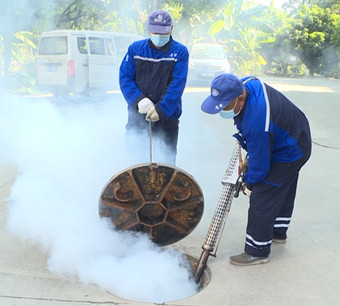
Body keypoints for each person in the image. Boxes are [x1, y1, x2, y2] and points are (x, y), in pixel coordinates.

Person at [201, 73, 312, 266]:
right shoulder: (245, 84)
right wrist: (250, 157)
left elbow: (261, 166)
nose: (221, 111)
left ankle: (257, 251)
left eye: (225, 106)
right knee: (281, 188)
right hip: (294, 133)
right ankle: (278, 233)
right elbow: (259, 146)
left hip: (290, 150)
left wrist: (250, 183)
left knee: (263, 195)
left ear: (240, 99)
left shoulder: (257, 121)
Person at [119, 10, 189, 165]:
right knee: (136, 163)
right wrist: (139, 100)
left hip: (167, 117)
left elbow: (177, 84)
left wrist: (161, 110)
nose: (158, 36)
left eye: (163, 32)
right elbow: (125, 78)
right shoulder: (135, 49)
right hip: (138, 115)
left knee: (166, 165)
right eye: (155, 32)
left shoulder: (180, 52)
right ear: (149, 29)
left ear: (171, 29)